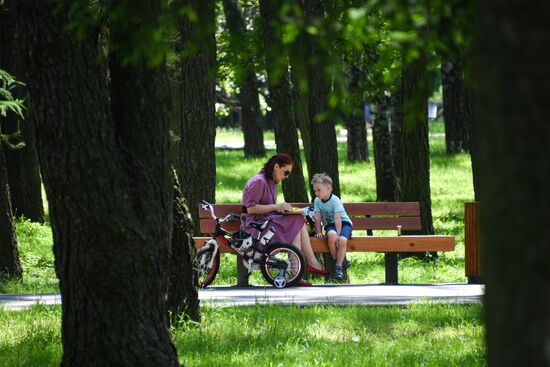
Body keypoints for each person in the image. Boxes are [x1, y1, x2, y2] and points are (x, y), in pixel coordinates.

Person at [241, 153, 329, 286]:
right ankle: (308, 265)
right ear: (276, 167)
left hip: (266, 222)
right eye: (285, 172)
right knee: (297, 221)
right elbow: (251, 209)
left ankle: (298, 272)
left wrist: (280, 210)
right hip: (255, 227)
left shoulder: (272, 182)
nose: (286, 177)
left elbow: (267, 207)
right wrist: (277, 206)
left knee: (297, 220)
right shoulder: (258, 181)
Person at [311, 173, 353, 281]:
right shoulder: (317, 201)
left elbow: (338, 219)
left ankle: (338, 267)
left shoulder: (335, 200)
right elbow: (317, 217)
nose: (316, 193)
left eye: (318, 190)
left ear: (328, 188)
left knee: (342, 240)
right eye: (315, 190)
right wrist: (319, 231)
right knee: (330, 235)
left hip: (344, 223)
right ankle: (339, 260)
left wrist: (339, 236)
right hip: (331, 225)